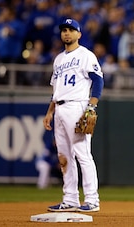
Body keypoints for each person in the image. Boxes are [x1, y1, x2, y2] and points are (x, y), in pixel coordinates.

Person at [43, 18, 104, 213]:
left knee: (82, 154)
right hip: (59, 109)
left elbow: (98, 81)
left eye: (71, 30)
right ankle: (70, 199)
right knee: (64, 156)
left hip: (77, 107)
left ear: (79, 34)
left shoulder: (86, 55)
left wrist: (91, 107)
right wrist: (49, 112)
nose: (66, 33)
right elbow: (56, 90)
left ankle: (92, 200)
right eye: (64, 30)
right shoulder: (58, 59)